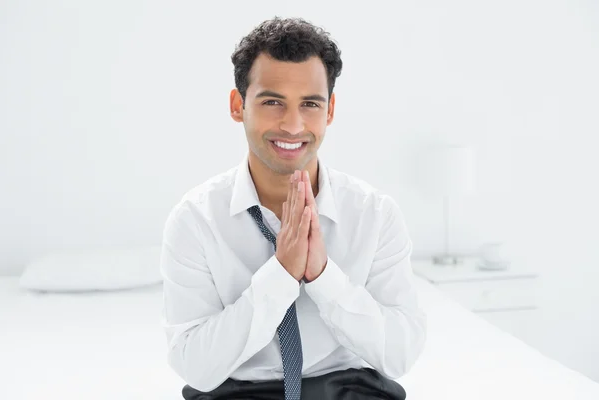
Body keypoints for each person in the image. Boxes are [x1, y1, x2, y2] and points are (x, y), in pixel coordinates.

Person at [160, 16, 427, 400]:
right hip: (236, 394)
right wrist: (281, 276)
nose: (292, 125)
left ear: (330, 110)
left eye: (310, 104)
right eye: (272, 102)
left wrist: (321, 276)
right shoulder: (195, 220)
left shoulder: (375, 214)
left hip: (349, 391)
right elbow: (197, 368)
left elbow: (399, 355)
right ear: (238, 105)